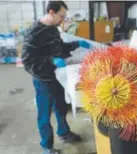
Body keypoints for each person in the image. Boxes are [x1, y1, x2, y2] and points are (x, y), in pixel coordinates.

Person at [22, 1, 91, 154]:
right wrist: (51, 61)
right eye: (61, 16)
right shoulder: (34, 32)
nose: (63, 19)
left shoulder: (53, 29)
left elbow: (59, 48)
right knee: (45, 115)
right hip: (43, 79)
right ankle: (46, 146)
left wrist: (76, 44)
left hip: (58, 76)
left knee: (60, 107)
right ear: (51, 12)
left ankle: (63, 132)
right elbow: (27, 61)